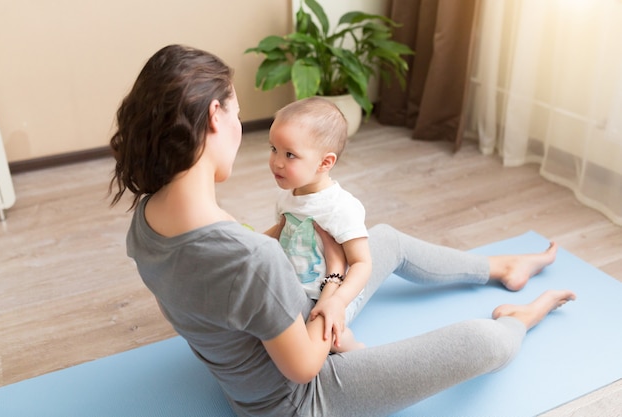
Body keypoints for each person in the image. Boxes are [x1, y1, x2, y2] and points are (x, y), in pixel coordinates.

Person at [109, 44, 576, 417]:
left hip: (283, 329)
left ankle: (502, 265)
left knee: (384, 239)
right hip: (299, 401)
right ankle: (521, 317)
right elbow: (304, 367)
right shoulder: (251, 258)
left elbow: (239, 276)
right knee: (482, 340)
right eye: (235, 113)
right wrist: (334, 279)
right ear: (215, 116)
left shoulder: (147, 217)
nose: (239, 128)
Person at [263, 97, 370, 353]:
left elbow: (362, 264)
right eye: (273, 149)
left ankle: (358, 351)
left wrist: (337, 301)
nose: (277, 162)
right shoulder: (288, 195)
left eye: (290, 155)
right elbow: (280, 232)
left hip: (333, 294)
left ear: (325, 163)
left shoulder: (339, 207)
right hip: (296, 292)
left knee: (335, 339)